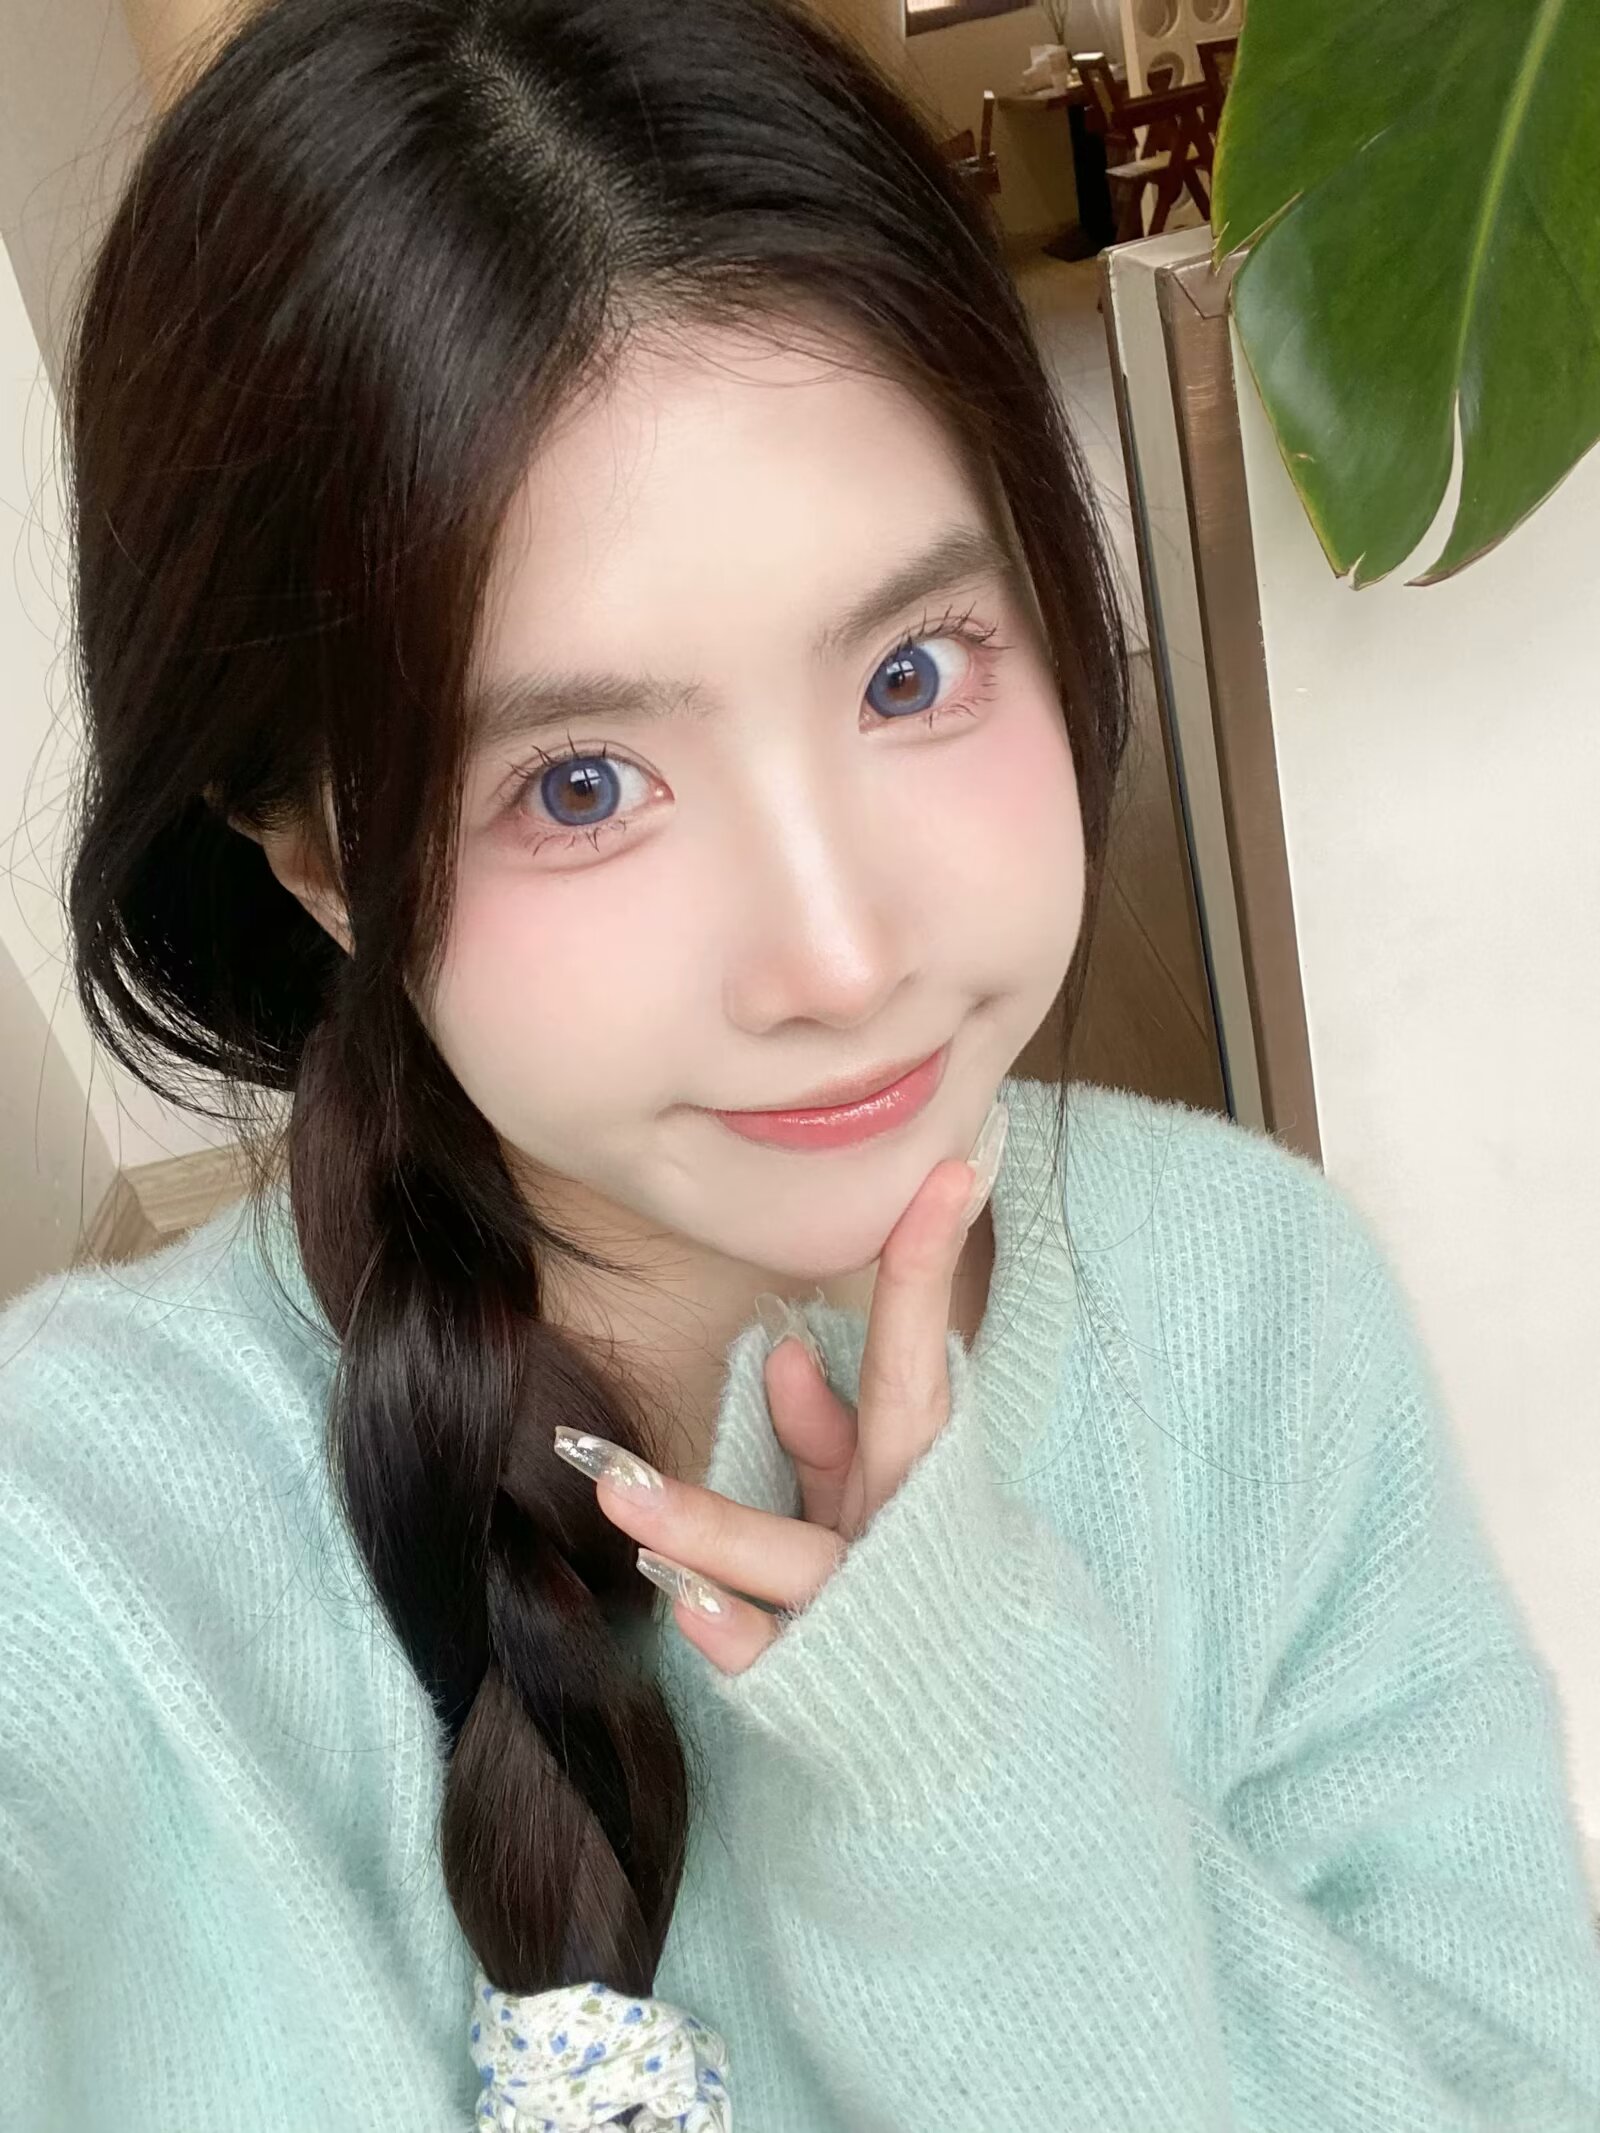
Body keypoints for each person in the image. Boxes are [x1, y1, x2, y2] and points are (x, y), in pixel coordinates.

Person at [2, 0, 1599, 2125]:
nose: (841, 958)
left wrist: (978, 1784)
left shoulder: (1256, 1316)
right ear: (315, 858)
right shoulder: (80, 1546)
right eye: (579, 784)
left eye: (912, 671)